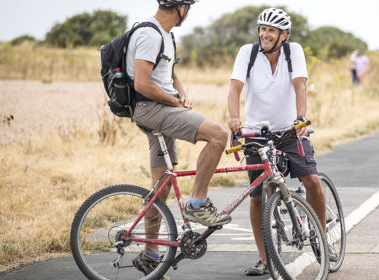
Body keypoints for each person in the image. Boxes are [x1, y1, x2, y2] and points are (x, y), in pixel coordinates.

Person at [126, 0, 231, 277]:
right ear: (181, 7)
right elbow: (142, 83)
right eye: (189, 7)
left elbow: (168, 72)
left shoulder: (166, 35)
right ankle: (198, 203)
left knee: (161, 187)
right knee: (219, 135)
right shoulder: (150, 34)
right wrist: (174, 103)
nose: (189, 13)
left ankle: (150, 253)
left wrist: (180, 93)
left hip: (155, 109)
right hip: (151, 109)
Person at [227, 8, 330, 276]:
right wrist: (235, 118)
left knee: (312, 181)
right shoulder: (247, 54)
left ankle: (319, 238)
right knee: (257, 197)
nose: (265, 34)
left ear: (283, 35)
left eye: (271, 30)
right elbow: (235, 87)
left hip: (289, 130)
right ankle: (264, 258)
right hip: (255, 133)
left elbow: (300, 85)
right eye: (262, 29)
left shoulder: (293, 51)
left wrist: (301, 118)